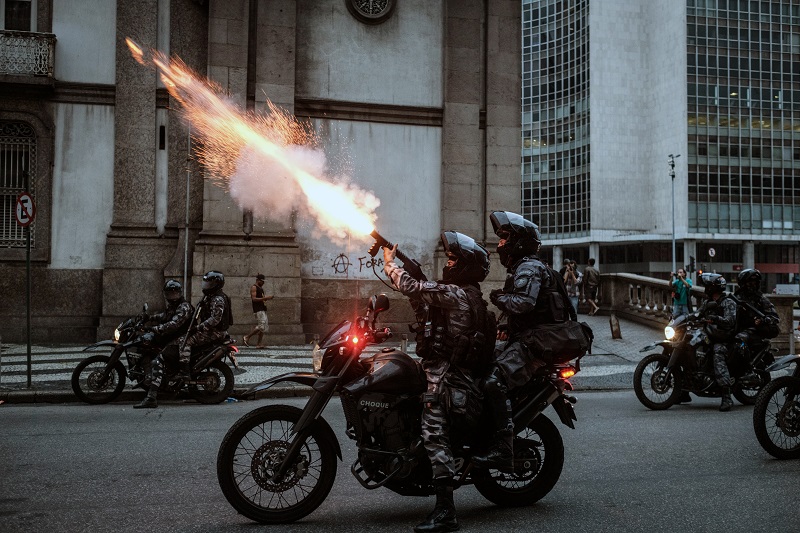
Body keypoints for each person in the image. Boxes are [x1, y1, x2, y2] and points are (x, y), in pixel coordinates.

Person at [383, 231, 493, 533]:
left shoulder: (457, 294)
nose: (448, 261)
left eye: (454, 258)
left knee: (433, 433)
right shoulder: (459, 293)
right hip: (441, 368)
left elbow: (411, 286)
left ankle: (446, 511)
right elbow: (424, 307)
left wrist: (391, 264)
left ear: (466, 266)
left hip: (447, 376)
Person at [472, 211, 575, 470]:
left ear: (520, 241)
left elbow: (524, 303)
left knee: (493, 380)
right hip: (531, 339)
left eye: (505, 238)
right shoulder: (525, 267)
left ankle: (504, 447)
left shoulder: (528, 267)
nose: (501, 244)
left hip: (537, 345)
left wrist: (497, 298)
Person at [135, 271, 233, 409]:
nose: (206, 286)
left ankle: (183, 372)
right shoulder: (209, 297)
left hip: (214, 332)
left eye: (209, 283)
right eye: (205, 283)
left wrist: (199, 327)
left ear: (217, 285)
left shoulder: (217, 299)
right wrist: (150, 318)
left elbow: (215, 319)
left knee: (185, 341)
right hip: (209, 330)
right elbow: (165, 316)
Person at [133, 280, 195, 409]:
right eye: (169, 294)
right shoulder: (173, 307)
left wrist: (155, 328)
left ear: (179, 293)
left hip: (180, 340)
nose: (172, 296)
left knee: (157, 361)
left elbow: (174, 324)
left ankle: (151, 397)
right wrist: (149, 318)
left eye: (175, 294)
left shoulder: (184, 307)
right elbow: (164, 316)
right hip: (173, 338)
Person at [696, 273, 737, 412]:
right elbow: (698, 314)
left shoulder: (728, 302)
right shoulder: (707, 302)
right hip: (710, 335)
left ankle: (726, 396)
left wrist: (716, 319)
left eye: (707, 286)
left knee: (718, 353)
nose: (705, 289)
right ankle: (683, 390)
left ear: (713, 288)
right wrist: (682, 318)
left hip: (724, 338)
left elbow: (730, 321)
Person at [733, 268, 780, 348]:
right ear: (743, 283)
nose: (753, 285)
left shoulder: (761, 299)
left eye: (755, 282)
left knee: (740, 341)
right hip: (735, 329)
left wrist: (762, 320)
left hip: (752, 331)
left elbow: (774, 317)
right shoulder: (735, 298)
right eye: (750, 283)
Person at [243, 273, 273, 348]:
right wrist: (266, 298)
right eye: (262, 281)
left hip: (262, 308)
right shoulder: (254, 287)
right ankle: (247, 337)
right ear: (258, 280)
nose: (263, 283)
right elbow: (254, 299)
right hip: (258, 309)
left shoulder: (260, 288)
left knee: (263, 327)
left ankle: (259, 344)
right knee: (261, 326)